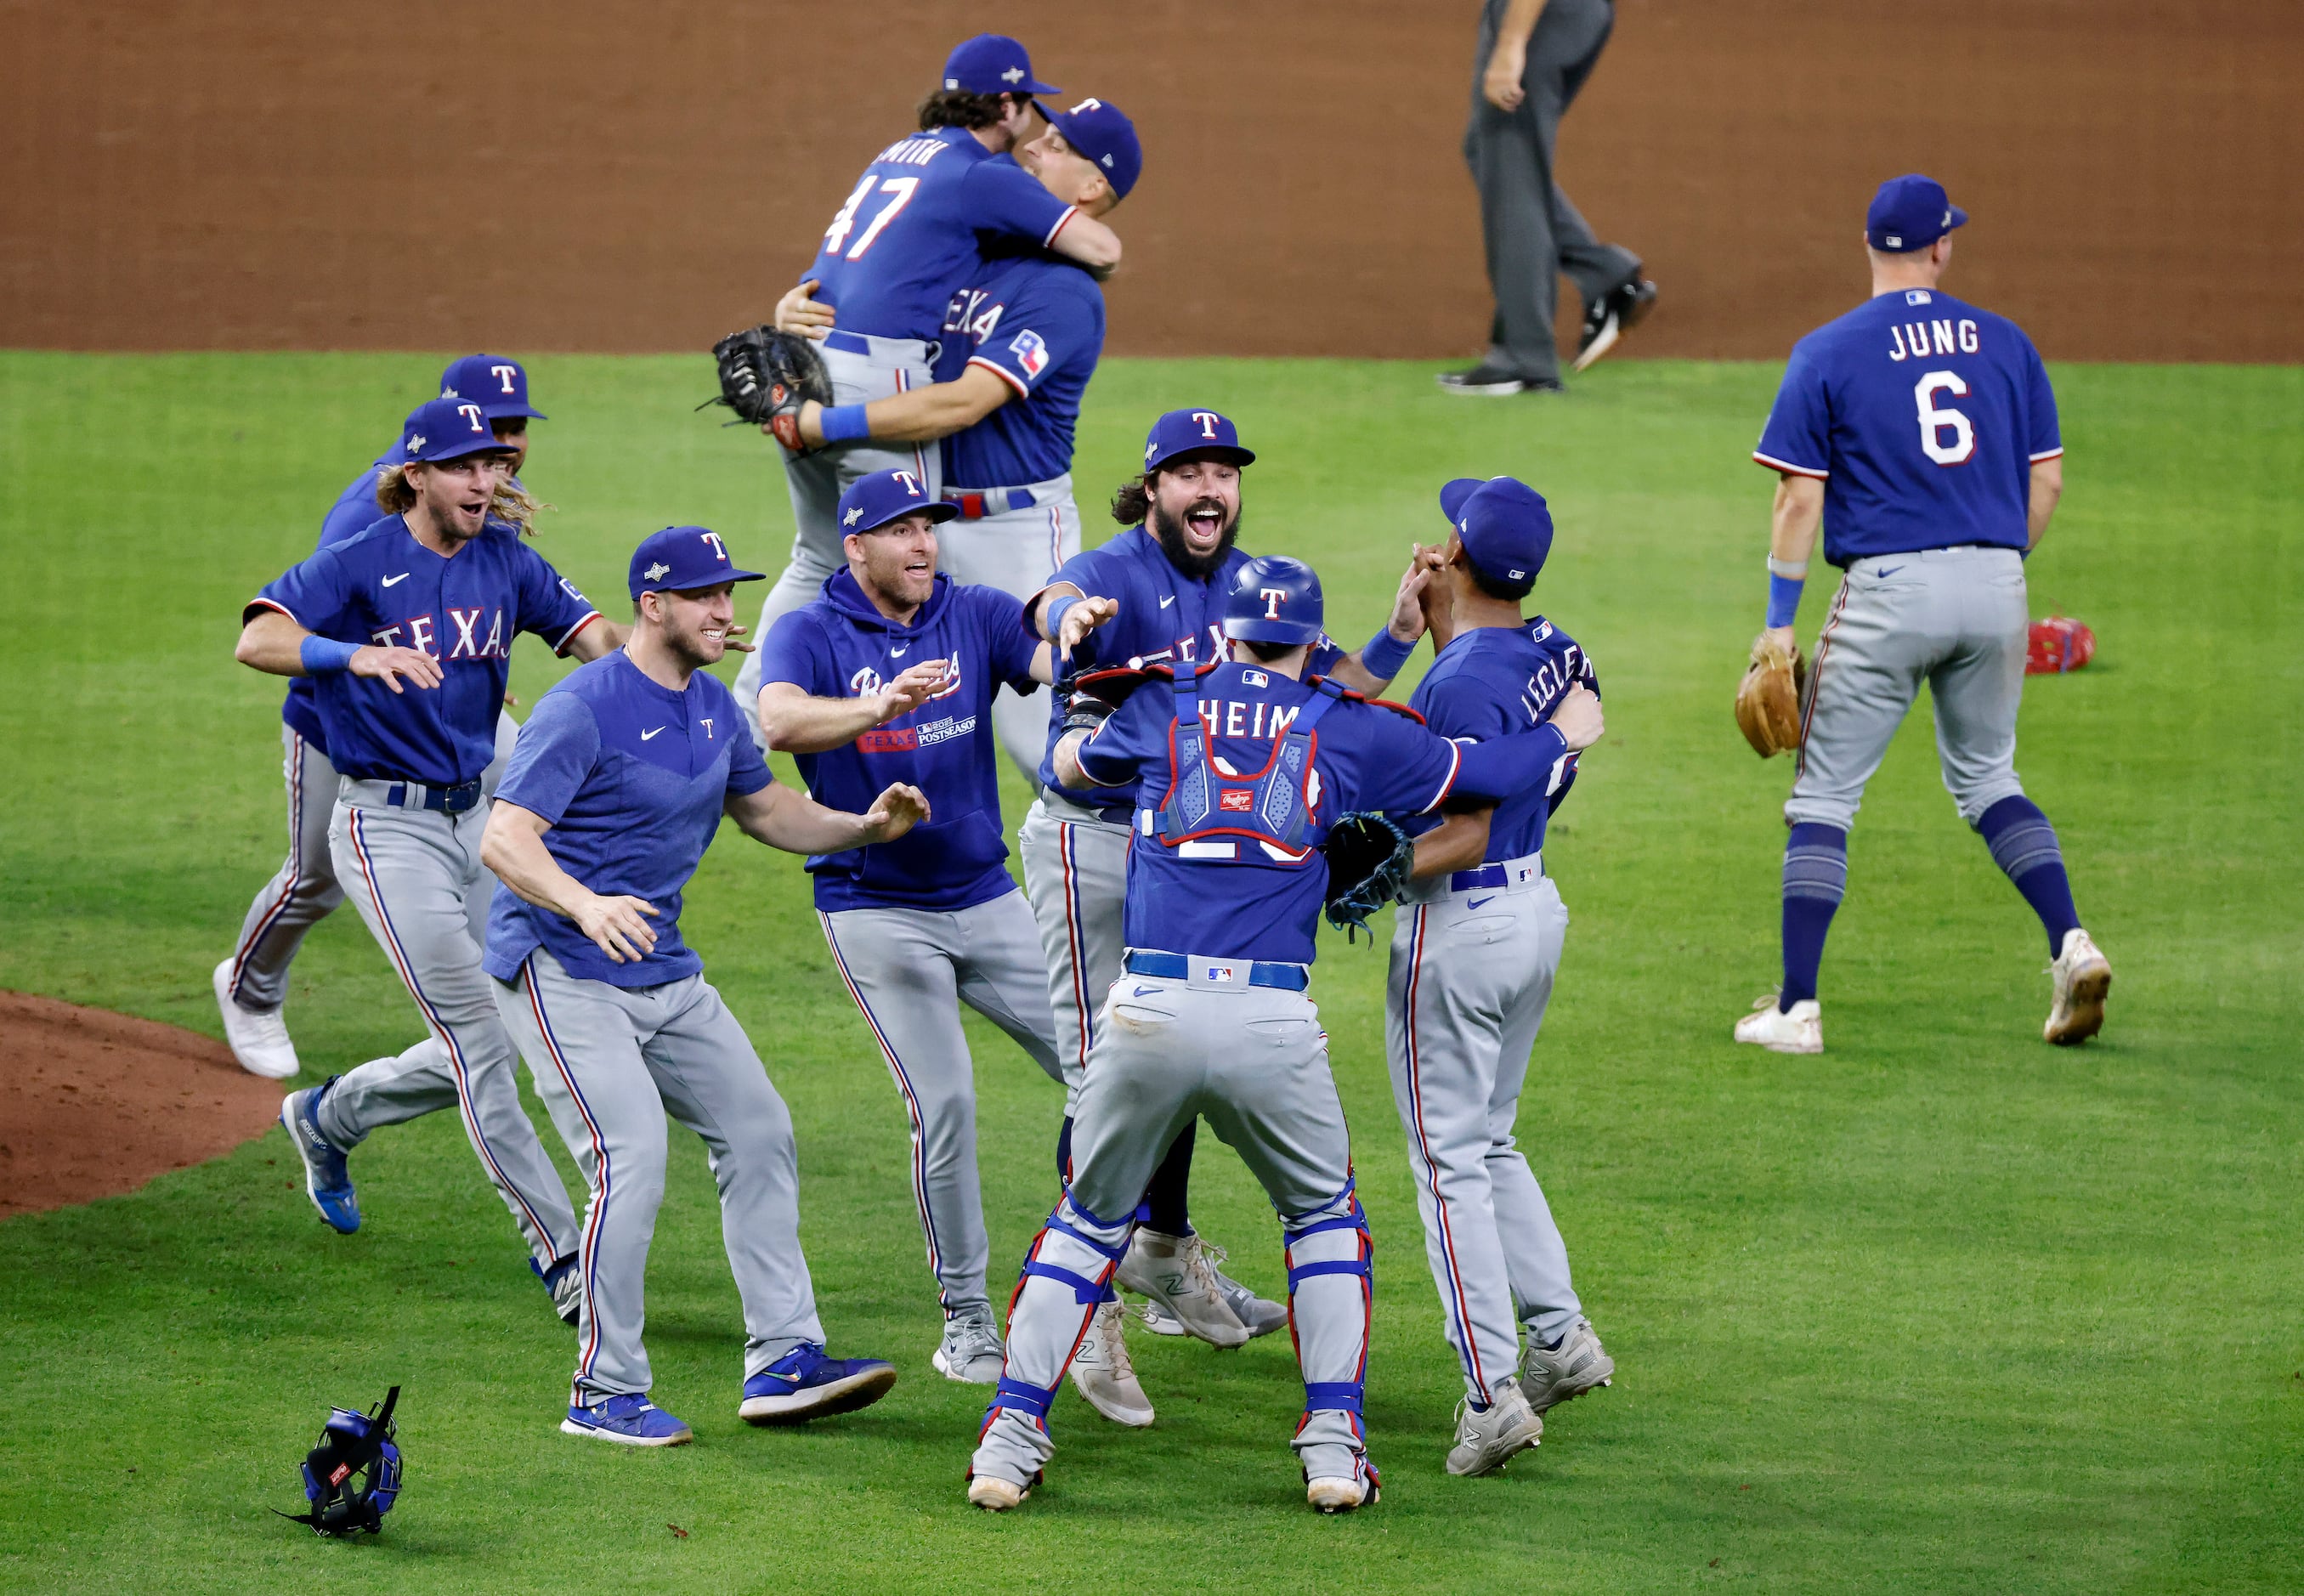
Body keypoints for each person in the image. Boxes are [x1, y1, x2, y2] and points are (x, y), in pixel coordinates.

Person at [964, 556, 1603, 1513]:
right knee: (1323, 1225)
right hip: (1271, 1020)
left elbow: (1067, 766)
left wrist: (1093, 712)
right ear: (1312, 642)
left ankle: (1008, 1443)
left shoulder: (1158, 704)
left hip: (1147, 1014)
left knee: (1087, 1223)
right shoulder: (1348, 728)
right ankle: (1333, 1450)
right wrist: (1561, 732)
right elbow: (1487, 774)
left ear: (1223, 633)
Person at [479, 525, 921, 1446]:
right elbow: (505, 837)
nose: (727, 611)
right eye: (706, 596)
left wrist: (864, 828)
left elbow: (765, 809)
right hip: (563, 967)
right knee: (631, 1156)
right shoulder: (583, 707)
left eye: (730, 593)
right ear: (653, 606)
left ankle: (784, 1359)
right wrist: (583, 903)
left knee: (759, 1130)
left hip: (663, 970)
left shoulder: (716, 707)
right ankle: (601, 1393)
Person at [1018, 408, 1431, 1363]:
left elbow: (1327, 691)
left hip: (1189, 859)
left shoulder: (1251, 589)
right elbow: (1042, 604)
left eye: (1225, 473)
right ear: (1154, 487)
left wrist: (1398, 633)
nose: (1211, 489)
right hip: (1092, 842)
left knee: (1180, 1047)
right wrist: (1064, 620)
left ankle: (1162, 1255)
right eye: (1189, 472)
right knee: (1103, 1074)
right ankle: (1091, 1325)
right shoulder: (1113, 573)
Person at [238, 395, 610, 1318]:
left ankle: (329, 1117)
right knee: (484, 1043)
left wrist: (664, 648)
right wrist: (348, 657)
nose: (488, 479)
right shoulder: (362, 557)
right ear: (416, 475)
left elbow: (593, 639)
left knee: (514, 1025)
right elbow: (259, 636)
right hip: (385, 830)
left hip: (482, 822)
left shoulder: (505, 562)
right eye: (465, 465)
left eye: (493, 463)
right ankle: (562, 1254)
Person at [1735, 174, 2109, 1054]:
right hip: (1995, 583)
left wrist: (1779, 622)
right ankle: (2070, 943)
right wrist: (1991, 576)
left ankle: (1795, 1009)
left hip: (1887, 592)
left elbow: (1797, 497)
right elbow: (2044, 480)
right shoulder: (2006, 343)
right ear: (1939, 248)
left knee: (1823, 798)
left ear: (1869, 246)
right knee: (1988, 780)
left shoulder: (1826, 350)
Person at [753, 469, 1087, 1394]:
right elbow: (777, 719)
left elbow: (1052, 662)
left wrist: (1082, 633)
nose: (921, 545)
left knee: (1105, 1075)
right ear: (854, 545)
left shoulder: (971, 612)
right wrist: (877, 707)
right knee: (945, 1106)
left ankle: (1123, 1264)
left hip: (983, 896)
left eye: (927, 528)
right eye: (899, 531)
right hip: (875, 909)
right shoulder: (811, 631)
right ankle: (968, 1318)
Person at [729, 34, 1124, 735]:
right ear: (1003, 105)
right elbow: (874, 269)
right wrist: (796, 304)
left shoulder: (1059, 290)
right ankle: (742, 740)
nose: (1032, 146)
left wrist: (821, 419)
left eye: (1058, 146)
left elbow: (966, 400)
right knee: (860, 604)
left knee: (1051, 738)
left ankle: (1141, 832)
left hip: (1014, 528)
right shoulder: (978, 236)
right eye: (1038, 128)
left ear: (1094, 187)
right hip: (929, 512)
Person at [215, 354, 546, 1078]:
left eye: (514, 429)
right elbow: (299, 627)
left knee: (523, 804)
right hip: (342, 721)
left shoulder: (480, 490)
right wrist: (375, 662)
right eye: (491, 430)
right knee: (317, 876)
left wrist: (463, 660)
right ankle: (249, 989)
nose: (506, 447)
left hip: (445, 706)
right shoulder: (371, 511)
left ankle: (517, 989)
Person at [1383, 476, 1614, 1477]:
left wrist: (1342, 874)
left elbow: (1458, 825)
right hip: (1532, 916)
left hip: (1461, 927)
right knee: (1491, 1138)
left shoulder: (1459, 685)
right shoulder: (1553, 649)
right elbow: (1497, 733)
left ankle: (1489, 1395)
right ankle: (1561, 1341)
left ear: (1457, 552)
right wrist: (1430, 632)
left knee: (1447, 1165)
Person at [1442, 0, 1656, 395]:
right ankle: (1605, 275)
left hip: (1540, 16)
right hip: (1575, 13)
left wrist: (1510, 44)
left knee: (1511, 165)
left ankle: (1523, 359)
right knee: (1493, 156)